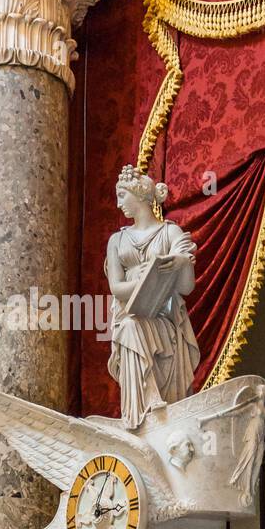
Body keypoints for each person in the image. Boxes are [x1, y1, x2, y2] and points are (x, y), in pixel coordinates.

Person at [105, 165, 199, 429]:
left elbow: (186, 288)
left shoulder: (170, 234)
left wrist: (181, 262)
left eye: (122, 195)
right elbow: (116, 288)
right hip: (132, 315)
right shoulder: (117, 241)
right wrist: (142, 280)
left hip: (164, 319)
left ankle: (154, 405)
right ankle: (143, 408)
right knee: (130, 327)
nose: (118, 203)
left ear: (139, 195)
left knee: (132, 328)